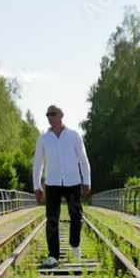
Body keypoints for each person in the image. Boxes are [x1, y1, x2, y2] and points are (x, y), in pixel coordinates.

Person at [32, 104, 91, 267]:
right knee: (52, 219)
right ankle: (53, 255)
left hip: (73, 182)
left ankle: (75, 244)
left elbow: (83, 159)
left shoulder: (74, 136)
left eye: (53, 113)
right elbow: (38, 163)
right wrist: (37, 186)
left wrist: (87, 181)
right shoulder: (43, 139)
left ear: (61, 115)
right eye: (48, 115)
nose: (50, 117)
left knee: (76, 216)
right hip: (52, 183)